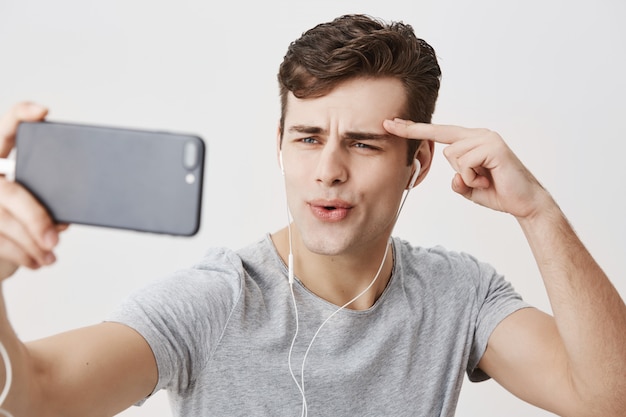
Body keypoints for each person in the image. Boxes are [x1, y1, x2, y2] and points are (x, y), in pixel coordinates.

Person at [0, 13, 624, 417]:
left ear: (419, 162)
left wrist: (538, 212)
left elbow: (608, 398)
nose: (328, 169)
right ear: (280, 144)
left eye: (362, 142)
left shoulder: (459, 295)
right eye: (306, 138)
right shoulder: (218, 299)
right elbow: (34, 396)